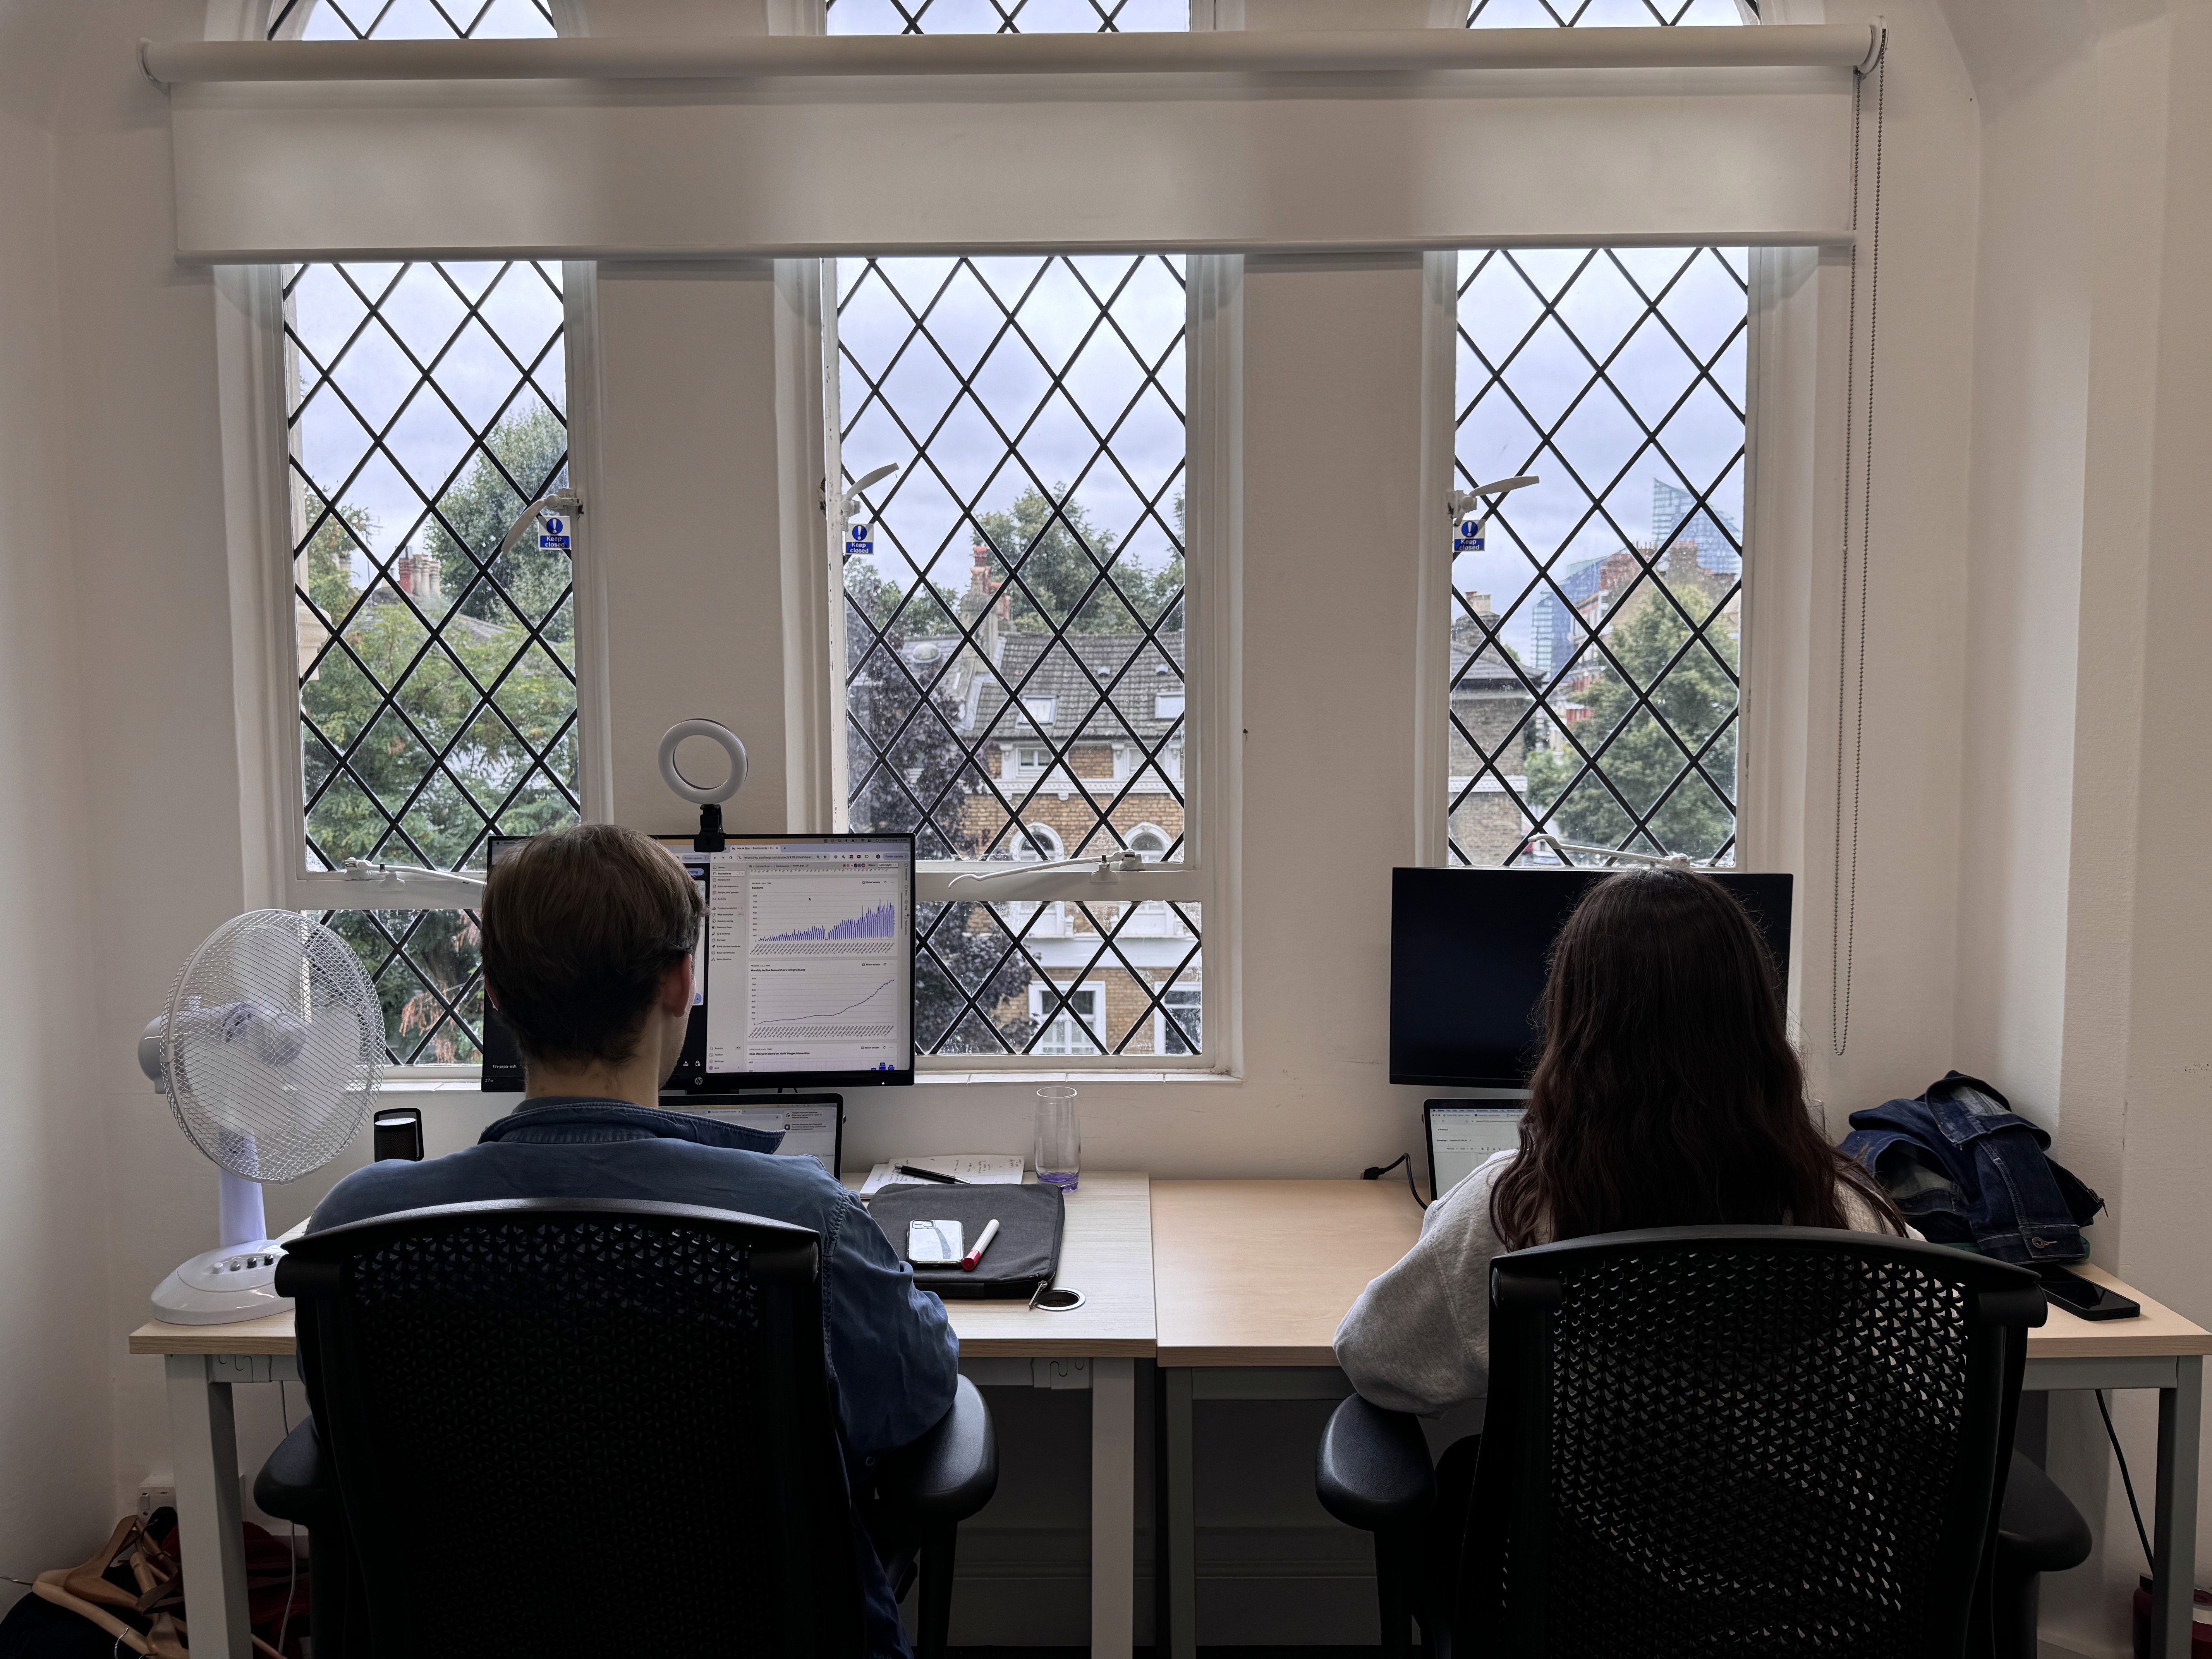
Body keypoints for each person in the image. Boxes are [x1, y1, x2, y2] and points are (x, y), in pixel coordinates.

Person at [311, 823, 956, 1656]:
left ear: (497, 997)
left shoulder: (358, 1229)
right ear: (682, 983)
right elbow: (914, 1394)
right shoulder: (802, 1220)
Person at [1333, 867, 1909, 1602]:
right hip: (1816, 1608)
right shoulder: (1852, 1216)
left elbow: (1377, 1360)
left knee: (1466, 1476)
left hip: (1583, 1607)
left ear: (1576, 1023)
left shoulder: (1514, 1211)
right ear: (1758, 1022)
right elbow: (1938, 1392)